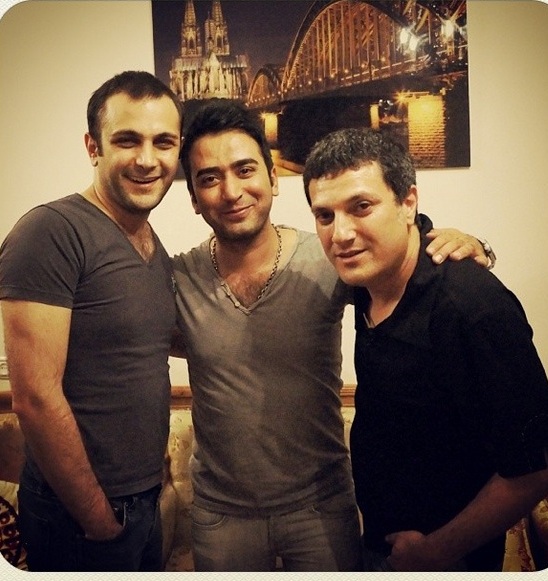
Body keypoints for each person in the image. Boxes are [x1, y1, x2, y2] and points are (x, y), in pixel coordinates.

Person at [173, 100, 491, 571]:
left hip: (322, 508)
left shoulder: (331, 259)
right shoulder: (177, 280)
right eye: (209, 178)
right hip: (222, 517)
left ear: (273, 178)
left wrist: (471, 244)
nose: (231, 191)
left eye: (245, 169)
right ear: (194, 198)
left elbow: (404, 268)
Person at [303, 127, 548, 572]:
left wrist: (437, 550)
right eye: (324, 215)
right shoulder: (365, 278)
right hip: (384, 546)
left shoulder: (472, 308)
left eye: (361, 207)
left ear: (408, 202)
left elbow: (534, 468)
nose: (340, 234)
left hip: (448, 560)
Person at [0, 71, 183, 572]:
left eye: (163, 142)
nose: (147, 159)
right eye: (127, 140)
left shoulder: (150, 243)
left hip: (143, 500)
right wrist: (98, 520)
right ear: (93, 147)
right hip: (80, 514)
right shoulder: (51, 231)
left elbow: (146, 344)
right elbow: (34, 398)